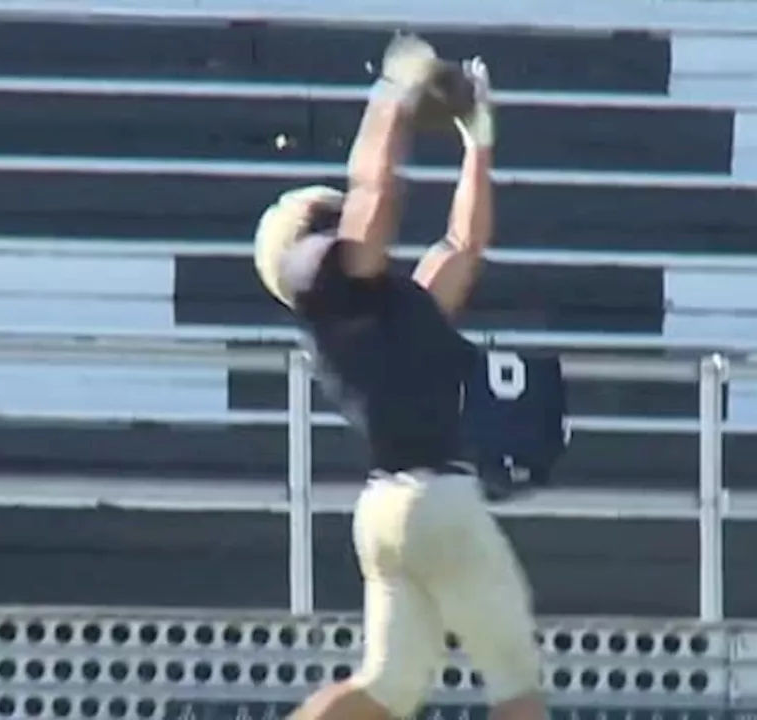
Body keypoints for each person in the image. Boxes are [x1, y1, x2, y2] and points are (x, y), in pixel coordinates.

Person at [252, 34, 550, 720]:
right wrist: (395, 95)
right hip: (436, 500)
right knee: (516, 681)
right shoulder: (338, 290)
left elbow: (462, 247)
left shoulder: (378, 310)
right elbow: (376, 192)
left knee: (386, 689)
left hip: (389, 510)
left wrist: (478, 143)